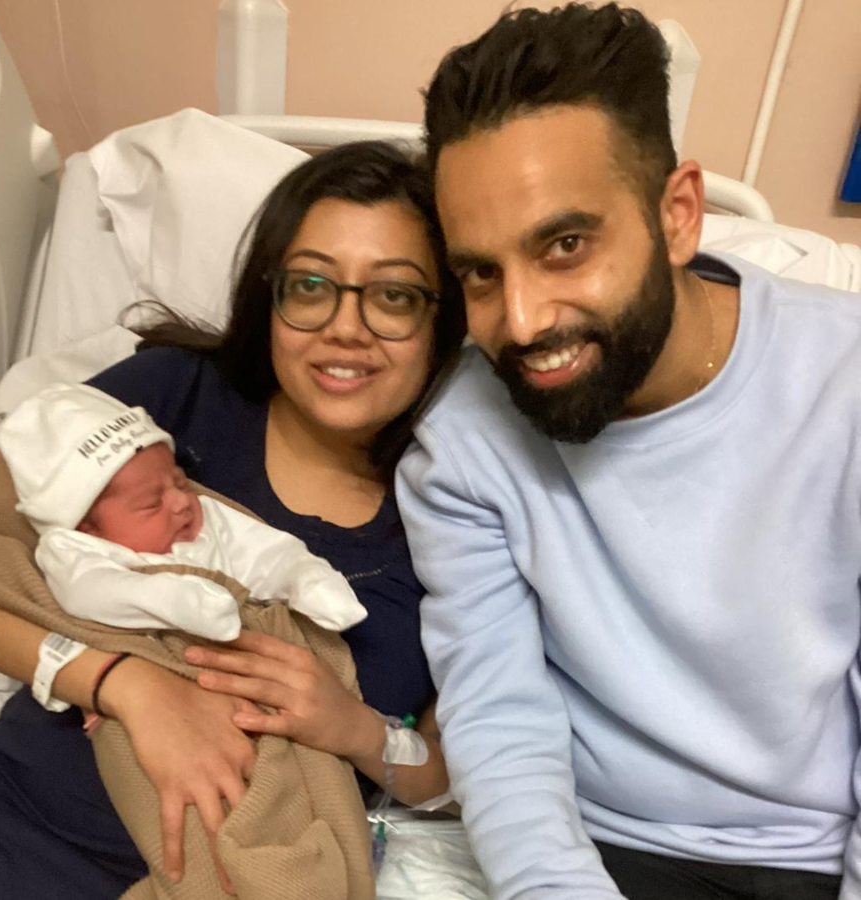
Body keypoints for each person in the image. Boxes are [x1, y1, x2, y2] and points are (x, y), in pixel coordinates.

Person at [0, 140, 465, 900]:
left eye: (394, 296)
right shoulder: (172, 395)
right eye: (310, 285)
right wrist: (125, 684)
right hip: (12, 812)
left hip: (243, 872)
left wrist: (350, 727)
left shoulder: (457, 514)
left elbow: (449, 771)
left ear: (443, 322)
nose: (346, 327)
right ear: (268, 294)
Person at [395, 4, 861, 900]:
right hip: (582, 847)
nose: (523, 320)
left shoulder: (842, 387)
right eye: (480, 273)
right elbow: (497, 719)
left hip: (806, 857)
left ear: (678, 214)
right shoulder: (461, 438)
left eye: (565, 245)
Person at [0, 382, 367, 641]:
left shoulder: (203, 518)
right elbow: (91, 592)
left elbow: (264, 552)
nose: (180, 502)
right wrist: (173, 601)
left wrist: (304, 578)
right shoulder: (77, 551)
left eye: (180, 481)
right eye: (151, 502)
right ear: (86, 527)